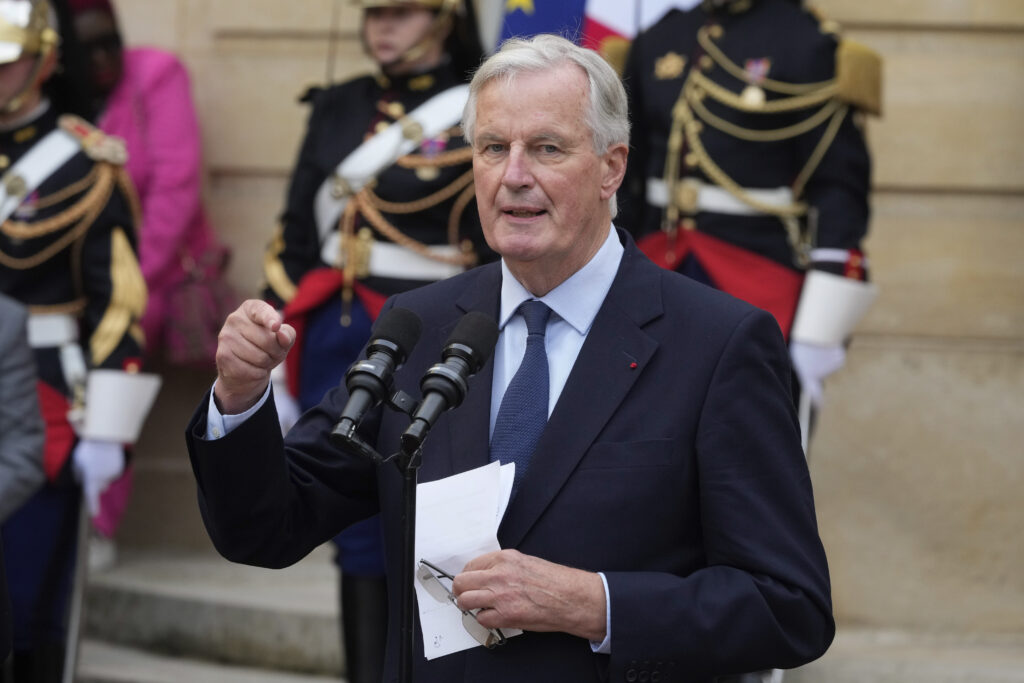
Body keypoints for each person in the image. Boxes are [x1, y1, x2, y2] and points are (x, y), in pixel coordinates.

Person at [186, 34, 833, 682]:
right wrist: (240, 399)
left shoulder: (718, 342)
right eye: (494, 147)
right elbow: (266, 526)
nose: (514, 175)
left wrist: (596, 603)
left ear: (612, 166)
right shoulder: (420, 324)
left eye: (547, 148)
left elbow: (789, 606)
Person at [262, 1, 488, 680]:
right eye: (374, 12)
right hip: (338, 335)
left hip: (436, 335)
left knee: (440, 525)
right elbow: (296, 232)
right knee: (353, 531)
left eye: (402, 12)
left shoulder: (476, 104)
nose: (382, 27)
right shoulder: (339, 105)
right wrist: (277, 345)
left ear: (446, 18)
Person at [620, 0, 880, 440]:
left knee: (750, 444)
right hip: (655, 269)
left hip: (756, 276)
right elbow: (623, 174)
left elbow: (838, 186)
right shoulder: (661, 38)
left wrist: (821, 322)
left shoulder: (805, 40)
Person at [0, 1, 152, 679]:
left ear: (46, 59)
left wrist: (108, 429)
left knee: (28, 606)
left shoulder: (84, 164)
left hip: (41, 394)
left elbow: (118, 304)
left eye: (8, 62)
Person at [67, 0, 230, 569]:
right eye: (88, 48)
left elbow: (175, 191)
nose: (105, 56)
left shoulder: (154, 73)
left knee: (109, 358)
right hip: (62, 283)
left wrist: (117, 286)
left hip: (147, 277)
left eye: (112, 39)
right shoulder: (51, 94)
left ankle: (94, 521)